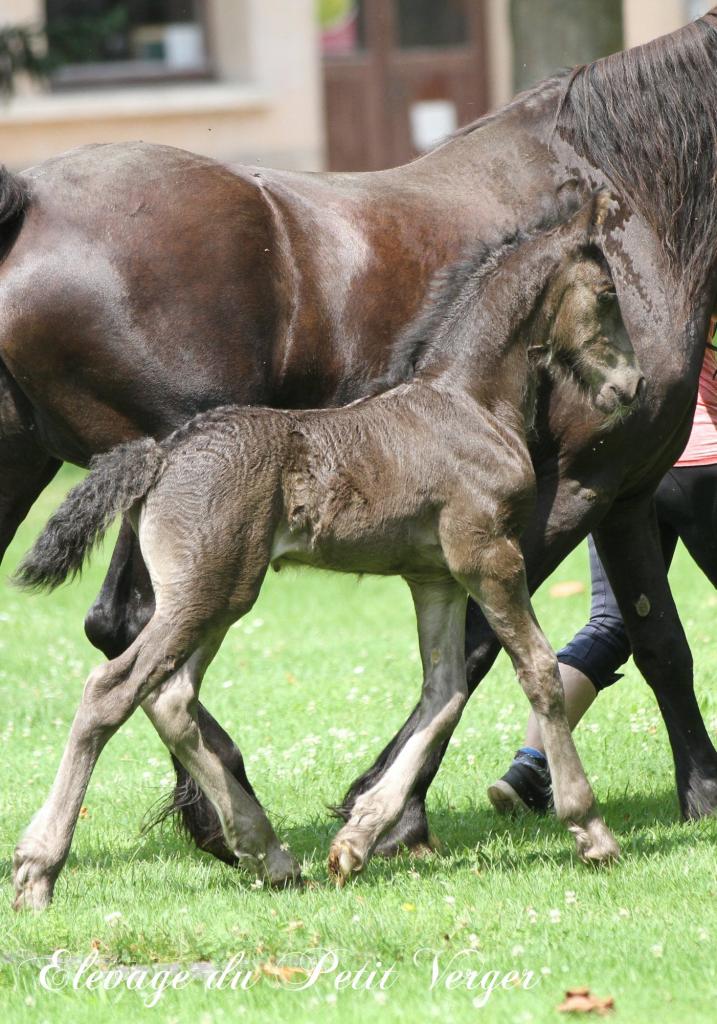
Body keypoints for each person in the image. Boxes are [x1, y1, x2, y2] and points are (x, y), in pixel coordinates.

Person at [488, 316, 717, 814]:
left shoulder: (624, 287)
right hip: (701, 460)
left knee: (614, 622)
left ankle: (530, 768)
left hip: (626, 463)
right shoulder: (693, 265)